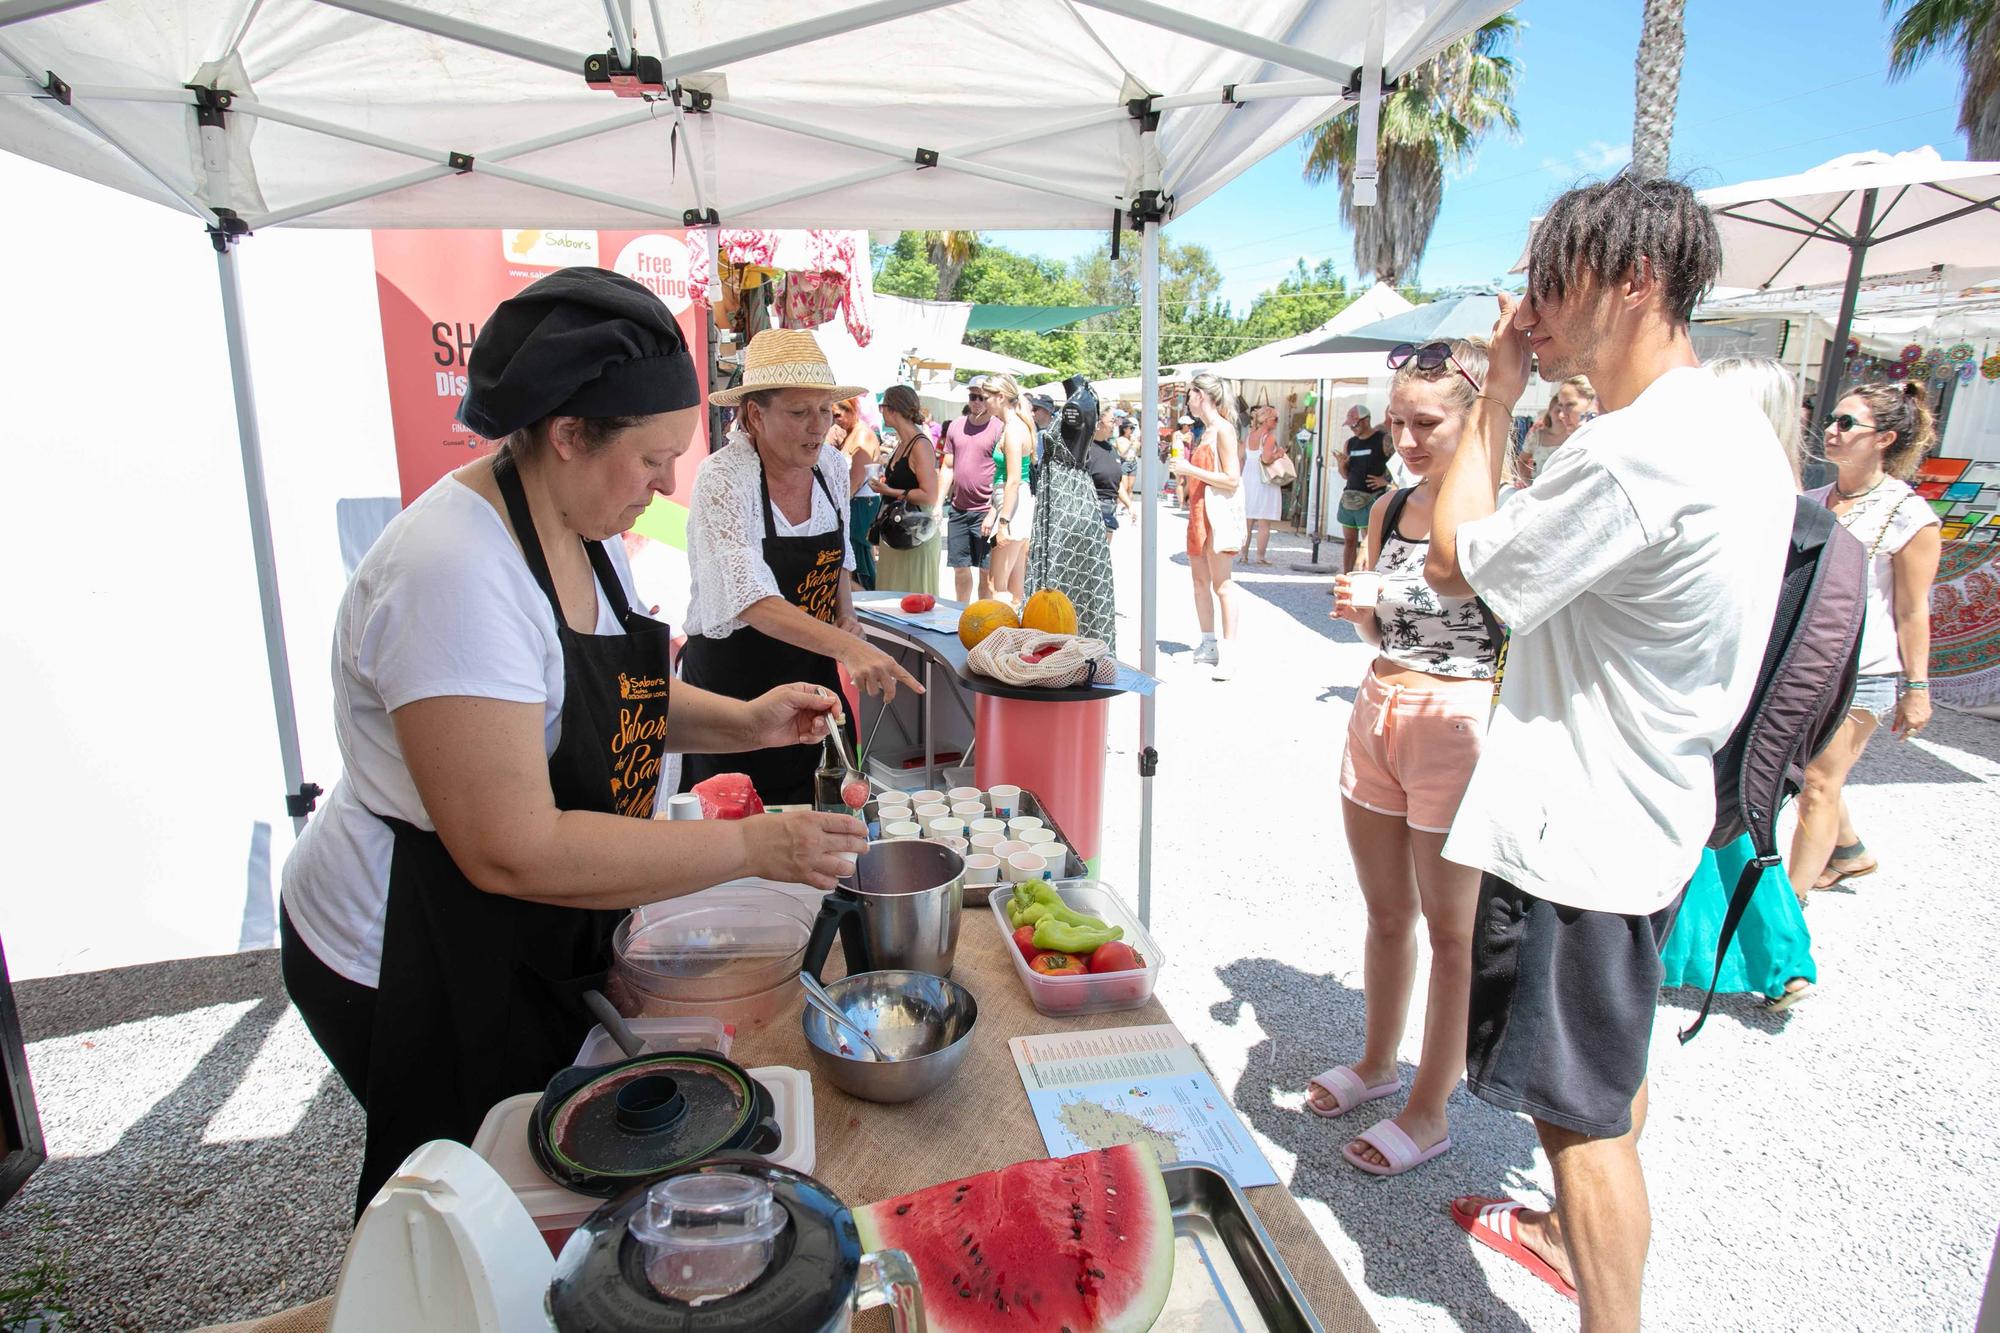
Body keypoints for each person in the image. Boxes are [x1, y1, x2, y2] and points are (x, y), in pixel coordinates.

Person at [278, 268, 870, 1214]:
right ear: (566, 435)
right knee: (473, 1200)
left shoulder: (580, 520)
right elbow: (513, 844)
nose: (669, 484)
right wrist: (757, 846)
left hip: (523, 922)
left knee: (560, 1163)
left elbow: (619, 695)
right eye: (650, 460)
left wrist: (746, 717)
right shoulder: (455, 573)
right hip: (410, 944)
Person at [1426, 175, 1796, 1326]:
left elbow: (1451, 559)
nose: (1529, 309)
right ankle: (1561, 1242)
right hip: (1653, 799)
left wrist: (1492, 398)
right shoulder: (1734, 430)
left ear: (1634, 280)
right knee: (1609, 1076)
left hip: (1574, 829)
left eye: (1551, 280)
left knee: (1576, 1116)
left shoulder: (1634, 451)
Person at [1310, 339, 1502, 1177]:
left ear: (1474, 419)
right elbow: (1378, 629)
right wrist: (1359, 608)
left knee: (1453, 932)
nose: (1407, 440)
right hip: (1379, 703)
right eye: (1397, 421)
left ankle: (1431, 1110)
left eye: (1426, 423)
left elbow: (1496, 622)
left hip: (1455, 719)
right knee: (1388, 913)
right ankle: (1379, 1063)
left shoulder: (1502, 512)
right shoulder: (1389, 507)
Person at [680, 329, 923, 806]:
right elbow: (750, 598)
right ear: (755, 414)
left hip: (810, 676)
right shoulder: (723, 478)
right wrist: (847, 648)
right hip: (735, 690)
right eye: (798, 412)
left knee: (826, 810)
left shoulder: (832, 465)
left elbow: (839, 561)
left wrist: (844, 612)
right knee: (736, 834)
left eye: (824, 410)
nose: (818, 426)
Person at [1657, 356, 1817, 1009]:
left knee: (1730, 825)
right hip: (1732, 690)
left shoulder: (1763, 508)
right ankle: (1757, 958)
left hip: (1725, 692)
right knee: (1728, 825)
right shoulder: (1788, 506)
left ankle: (1779, 957)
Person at [1789, 381, 1941, 898]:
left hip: (1865, 671)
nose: (1831, 430)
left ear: (1886, 439)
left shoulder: (1910, 515)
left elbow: (1912, 607)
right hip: (1802, 663)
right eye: (1832, 419)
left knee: (1817, 785)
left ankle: (1790, 906)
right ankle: (1848, 850)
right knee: (1799, 771)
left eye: (1847, 423)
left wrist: (1917, 687)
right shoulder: (1811, 499)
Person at [1026, 375, 1118, 648]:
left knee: (1066, 575)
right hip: (1063, 497)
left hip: (1068, 501)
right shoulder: (1080, 399)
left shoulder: (1080, 402)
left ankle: (1070, 647)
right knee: (1071, 575)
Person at [1169, 372, 1244, 680]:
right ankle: (1208, 642)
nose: (1187, 400)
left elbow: (1232, 478)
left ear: (1202, 395)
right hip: (1199, 511)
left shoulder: (1224, 430)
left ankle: (1229, 652)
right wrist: (1184, 472)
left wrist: (1189, 468)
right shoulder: (1206, 431)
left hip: (1216, 514)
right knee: (1200, 582)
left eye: (1190, 394)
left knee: (1222, 584)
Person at [870, 384, 943, 596]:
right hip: (897, 534)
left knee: (911, 598)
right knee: (893, 598)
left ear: (893, 409)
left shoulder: (919, 445)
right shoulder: (903, 443)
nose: (880, 411)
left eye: (882, 406)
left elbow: (930, 494)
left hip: (915, 534)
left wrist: (890, 491)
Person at [940, 381, 1003, 603]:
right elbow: (947, 466)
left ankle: (983, 619)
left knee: (986, 573)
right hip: (958, 508)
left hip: (985, 508)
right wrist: (939, 503)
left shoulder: (999, 427)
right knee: (960, 568)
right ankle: (961, 614)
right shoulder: (957, 425)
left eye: (981, 397)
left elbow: (1004, 473)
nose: (976, 402)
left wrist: (994, 512)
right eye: (972, 397)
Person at [978, 374, 1036, 607]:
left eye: (986, 398)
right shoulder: (1017, 426)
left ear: (1000, 397)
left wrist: (1002, 523)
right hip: (1014, 503)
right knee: (1014, 589)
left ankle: (1001, 638)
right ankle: (1014, 638)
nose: (983, 403)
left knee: (996, 586)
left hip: (1012, 505)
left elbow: (1012, 480)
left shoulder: (1013, 429)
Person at [833, 396, 882, 591]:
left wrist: (839, 506)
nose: (835, 419)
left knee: (858, 554)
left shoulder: (862, 436)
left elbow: (857, 478)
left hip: (861, 502)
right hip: (854, 501)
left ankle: (867, 599)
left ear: (850, 411)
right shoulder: (850, 434)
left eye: (838, 414)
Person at [1335, 406, 1391, 572]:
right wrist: (1341, 464)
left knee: (1369, 543)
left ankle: (1366, 580)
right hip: (1350, 495)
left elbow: (1399, 463)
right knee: (1349, 541)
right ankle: (1346, 578)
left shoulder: (1382, 439)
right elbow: (1345, 475)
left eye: (1355, 425)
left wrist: (1385, 480)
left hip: (1371, 497)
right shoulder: (1350, 443)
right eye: (1350, 426)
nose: (1353, 429)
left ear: (1366, 420)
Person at [1520, 375, 1597, 483]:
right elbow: (1522, 460)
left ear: (1592, 402)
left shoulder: (1598, 440)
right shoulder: (1538, 435)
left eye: (1570, 405)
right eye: (1560, 406)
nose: (1561, 415)